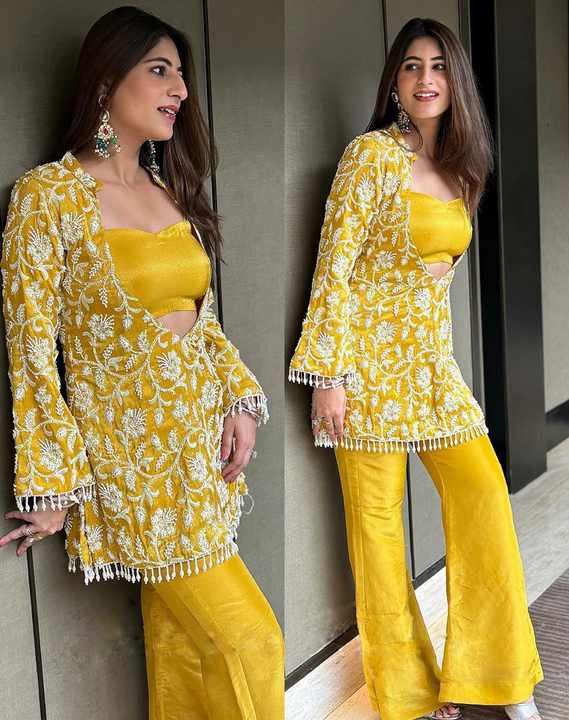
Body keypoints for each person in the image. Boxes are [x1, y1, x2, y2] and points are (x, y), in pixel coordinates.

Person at [0, 7, 284, 719]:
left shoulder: (168, 190)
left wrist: (240, 401)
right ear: (105, 81)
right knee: (253, 641)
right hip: (131, 468)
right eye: (160, 71)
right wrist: (50, 481)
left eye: (180, 74)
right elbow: (31, 352)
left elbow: (203, 324)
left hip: (201, 459)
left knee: (184, 654)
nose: (180, 90)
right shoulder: (49, 197)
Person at [289, 17, 542, 720]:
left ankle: (501, 680)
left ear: (456, 80)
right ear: (394, 82)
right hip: (363, 373)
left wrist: (439, 365)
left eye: (437, 65)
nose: (425, 78)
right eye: (410, 65)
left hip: (432, 372)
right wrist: (328, 377)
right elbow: (333, 270)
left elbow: (437, 290)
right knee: (377, 537)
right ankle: (406, 698)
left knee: (484, 496)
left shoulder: (463, 168)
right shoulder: (369, 157)